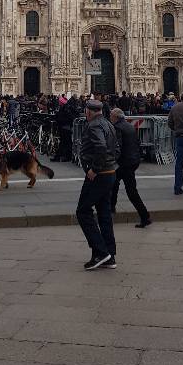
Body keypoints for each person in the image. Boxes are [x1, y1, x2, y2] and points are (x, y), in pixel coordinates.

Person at [75, 99, 118, 270]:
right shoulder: (108, 124)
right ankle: (110, 256)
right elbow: (116, 148)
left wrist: (94, 168)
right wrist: (111, 164)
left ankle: (101, 252)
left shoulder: (93, 125)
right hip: (110, 173)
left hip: (99, 175)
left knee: (83, 211)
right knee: (104, 214)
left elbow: (100, 147)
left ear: (88, 111)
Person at [109, 108, 151, 228]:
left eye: (111, 115)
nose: (110, 118)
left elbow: (118, 147)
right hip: (132, 162)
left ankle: (111, 212)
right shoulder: (129, 126)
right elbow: (137, 143)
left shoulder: (117, 128)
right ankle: (144, 216)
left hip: (123, 163)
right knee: (117, 186)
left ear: (116, 117)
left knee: (126, 190)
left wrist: (112, 161)